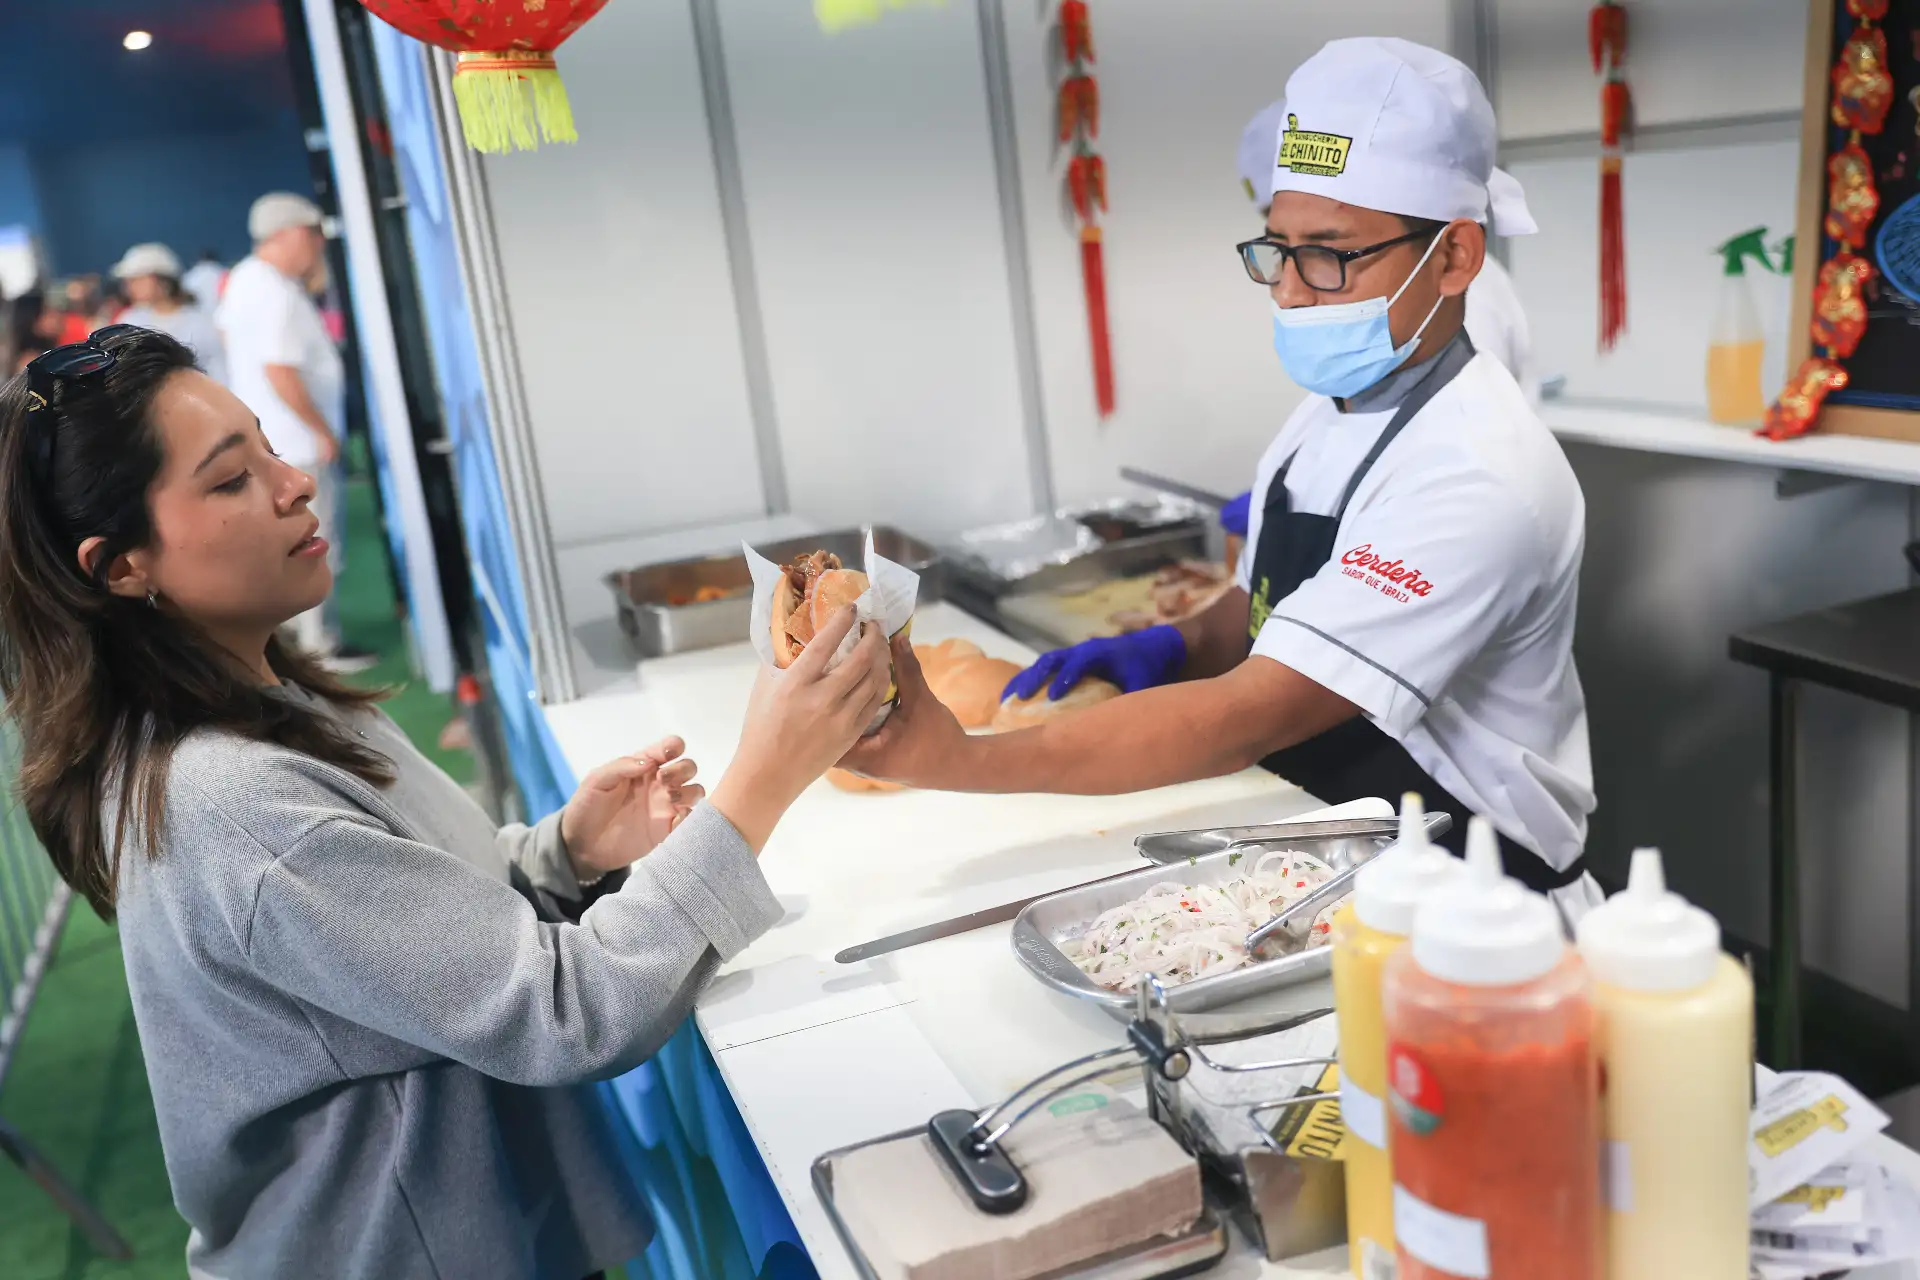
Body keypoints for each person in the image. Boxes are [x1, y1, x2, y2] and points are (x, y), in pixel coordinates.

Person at [0, 325, 894, 1280]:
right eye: (230, 480)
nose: (293, 481)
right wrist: (763, 780)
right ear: (119, 566)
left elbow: (415, 921)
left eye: (267, 443)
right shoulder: (230, 804)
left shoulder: (260, 692)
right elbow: (567, 1011)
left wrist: (565, 852)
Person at [850, 38, 1600, 922]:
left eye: (1331, 255)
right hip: (1330, 860)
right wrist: (1172, 647)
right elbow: (1262, 612)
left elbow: (1251, 713)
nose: (1288, 291)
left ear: (1455, 258)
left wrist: (965, 761)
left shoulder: (1481, 472)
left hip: (1477, 904)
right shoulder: (1331, 406)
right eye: (1278, 250)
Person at [1239, 98, 1541, 404]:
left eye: (1322, 249)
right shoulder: (1351, 384)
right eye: (1279, 241)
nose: (1288, 295)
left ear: (1451, 257)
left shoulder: (1457, 311)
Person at [217, 193, 369, 671]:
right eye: (311, 234)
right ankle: (319, 646)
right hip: (297, 442)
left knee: (280, 545)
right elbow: (282, 369)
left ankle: (292, 643)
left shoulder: (245, 280)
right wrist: (322, 430)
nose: (318, 245)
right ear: (286, 235)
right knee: (315, 539)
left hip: (271, 440)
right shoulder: (276, 291)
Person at [112, 243, 227, 383]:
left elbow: (220, 375)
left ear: (163, 281)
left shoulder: (200, 324)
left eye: (137, 280)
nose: (129, 288)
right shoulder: (129, 322)